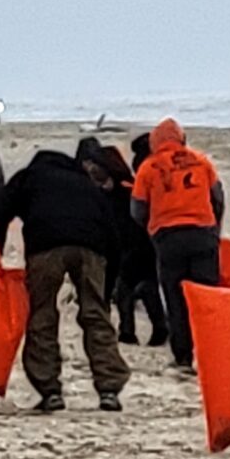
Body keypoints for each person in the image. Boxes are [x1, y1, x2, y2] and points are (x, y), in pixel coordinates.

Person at [0, 149, 130, 412]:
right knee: (96, 315)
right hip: (91, 247)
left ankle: (49, 389)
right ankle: (109, 387)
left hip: (45, 246)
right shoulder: (86, 184)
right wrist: (108, 289)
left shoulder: (30, 177)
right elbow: (113, 235)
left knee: (42, 315)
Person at [132, 119, 226, 371]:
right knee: (207, 299)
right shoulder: (202, 161)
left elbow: (137, 209)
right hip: (202, 235)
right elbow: (218, 196)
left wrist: (153, 229)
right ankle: (211, 355)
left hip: (168, 238)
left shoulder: (149, 167)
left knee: (176, 299)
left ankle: (183, 357)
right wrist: (214, 229)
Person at [79, 138, 164, 346]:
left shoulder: (121, 190)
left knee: (127, 288)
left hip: (133, 244)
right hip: (141, 243)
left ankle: (131, 331)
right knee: (142, 287)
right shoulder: (129, 187)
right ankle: (151, 329)